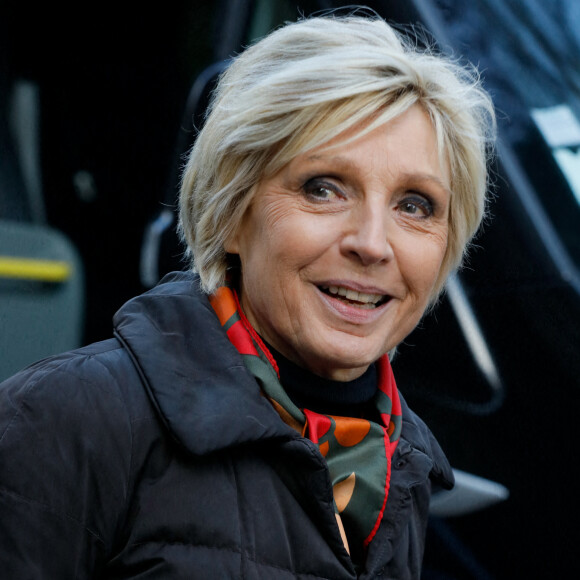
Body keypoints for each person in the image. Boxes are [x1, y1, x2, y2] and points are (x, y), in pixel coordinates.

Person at [0, 11, 495, 579]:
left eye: (414, 205)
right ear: (232, 210)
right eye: (324, 189)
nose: (372, 243)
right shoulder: (62, 420)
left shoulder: (400, 469)